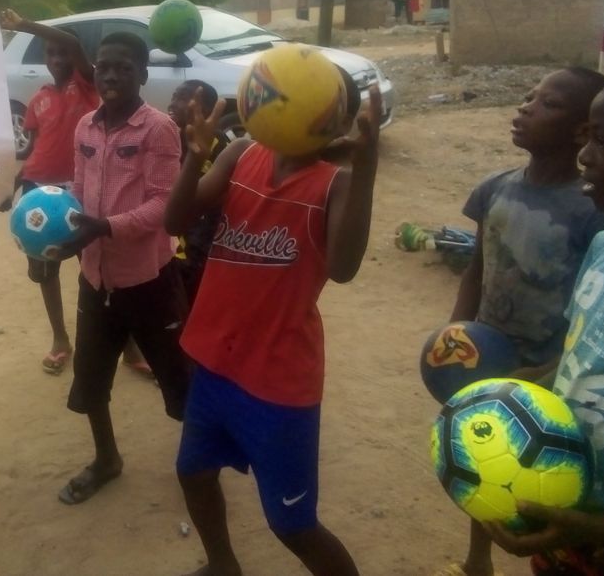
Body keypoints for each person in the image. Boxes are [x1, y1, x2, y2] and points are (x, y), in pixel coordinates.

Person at [164, 78, 382, 576]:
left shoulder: (335, 183)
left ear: (337, 124)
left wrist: (365, 171)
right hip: (215, 361)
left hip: (278, 381)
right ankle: (223, 564)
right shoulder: (241, 153)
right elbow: (174, 222)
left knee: (293, 525)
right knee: (194, 474)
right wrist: (193, 157)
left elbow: (344, 268)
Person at [441, 67, 604, 576]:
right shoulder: (498, 189)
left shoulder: (590, 215)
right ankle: (478, 561)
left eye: (601, 141)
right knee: (491, 462)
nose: (587, 157)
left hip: (549, 381)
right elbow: (478, 268)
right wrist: (457, 335)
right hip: (509, 367)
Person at [53, 31, 189, 505]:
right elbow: (77, 189)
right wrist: (59, 231)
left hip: (150, 282)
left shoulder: (159, 129)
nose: (110, 75)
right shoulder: (85, 127)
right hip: (96, 280)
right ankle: (107, 459)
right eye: (103, 66)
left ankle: (199, 464)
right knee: (91, 379)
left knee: (180, 381)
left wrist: (105, 227)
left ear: (143, 75)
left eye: (123, 68)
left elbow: (164, 205)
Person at [0, 10, 99, 375]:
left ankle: (127, 342)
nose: (57, 58)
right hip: (38, 190)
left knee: (98, 266)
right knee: (45, 270)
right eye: (50, 53)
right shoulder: (39, 98)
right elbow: (35, 150)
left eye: (63, 52)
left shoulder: (87, 84)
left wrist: (23, 24)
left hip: (78, 190)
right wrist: (10, 186)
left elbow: (70, 42)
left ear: (76, 54)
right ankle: (60, 339)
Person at [167, 81, 229, 306]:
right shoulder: (170, 139)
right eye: (174, 96)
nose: (173, 104)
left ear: (206, 110)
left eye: (183, 98)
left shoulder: (219, 143)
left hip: (203, 239)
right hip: (174, 232)